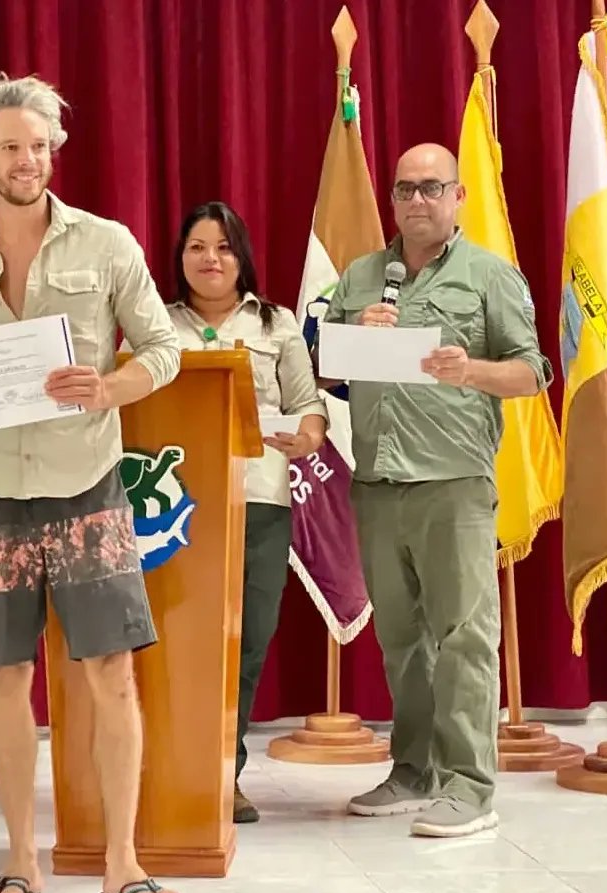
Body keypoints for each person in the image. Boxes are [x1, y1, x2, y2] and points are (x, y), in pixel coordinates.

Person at [0, 74, 182, 893]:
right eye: (13, 146)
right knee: (6, 677)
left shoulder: (107, 241)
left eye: (42, 145)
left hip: (87, 483)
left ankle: (123, 866)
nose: (30, 160)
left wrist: (111, 387)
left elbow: (162, 348)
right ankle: (20, 862)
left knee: (111, 674)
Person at [319, 143, 552, 838]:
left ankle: (469, 786)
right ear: (390, 200)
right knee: (401, 640)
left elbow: (532, 371)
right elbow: (321, 372)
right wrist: (346, 338)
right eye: (404, 190)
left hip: (451, 479)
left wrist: (469, 370)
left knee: (463, 637)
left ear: (457, 197)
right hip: (375, 480)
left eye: (430, 188)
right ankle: (413, 771)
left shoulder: (488, 275)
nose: (416, 201)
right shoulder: (361, 275)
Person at [158, 201, 326, 824]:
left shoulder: (276, 324)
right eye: (197, 247)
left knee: (245, 641)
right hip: (175, 508)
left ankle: (223, 773)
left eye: (223, 247)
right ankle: (171, 770)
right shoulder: (153, 323)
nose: (210, 259)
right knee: (178, 643)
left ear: (242, 256)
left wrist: (308, 435)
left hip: (258, 500)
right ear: (180, 259)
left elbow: (308, 404)